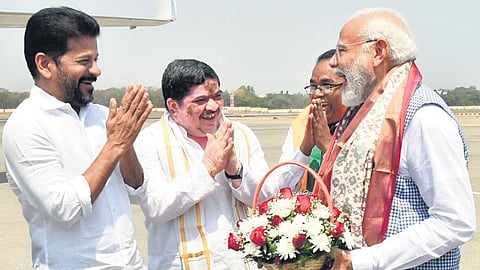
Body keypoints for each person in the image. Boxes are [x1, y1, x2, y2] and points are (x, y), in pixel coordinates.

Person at [318, 7, 476, 269]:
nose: (334, 62)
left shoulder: (424, 117)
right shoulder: (364, 111)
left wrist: (362, 261)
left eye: (342, 50)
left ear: (379, 52)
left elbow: (456, 221)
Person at [3, 7, 152, 269]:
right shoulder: (26, 125)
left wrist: (125, 144)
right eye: (84, 61)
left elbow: (137, 189)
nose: (96, 70)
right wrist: (115, 145)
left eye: (96, 59)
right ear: (45, 64)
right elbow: (64, 209)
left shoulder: (103, 116)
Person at [134, 59, 293, 269]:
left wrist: (235, 171)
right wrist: (208, 168)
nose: (213, 106)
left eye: (217, 96)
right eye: (200, 101)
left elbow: (266, 199)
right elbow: (156, 207)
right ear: (173, 106)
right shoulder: (150, 141)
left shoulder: (241, 134)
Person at [278, 49, 347, 191]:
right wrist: (304, 149)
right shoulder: (301, 124)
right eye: (313, 87)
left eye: (327, 86)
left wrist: (328, 147)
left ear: (349, 87)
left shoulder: (363, 124)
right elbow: (280, 188)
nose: (316, 94)